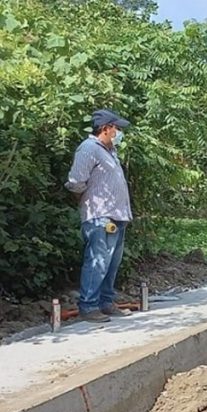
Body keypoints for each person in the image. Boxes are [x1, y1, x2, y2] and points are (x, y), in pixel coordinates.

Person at [64, 109, 133, 323]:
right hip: (100, 216)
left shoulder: (110, 152)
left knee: (111, 264)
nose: (119, 133)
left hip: (117, 215)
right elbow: (76, 182)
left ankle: (106, 303)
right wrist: (86, 202)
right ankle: (89, 306)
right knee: (98, 262)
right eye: (116, 128)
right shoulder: (89, 148)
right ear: (105, 128)